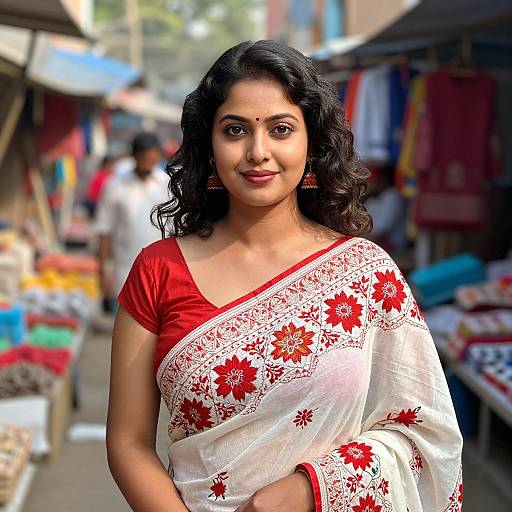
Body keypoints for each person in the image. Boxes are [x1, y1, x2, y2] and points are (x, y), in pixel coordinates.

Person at [107, 41, 463, 512]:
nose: (258, 152)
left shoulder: (365, 274)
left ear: (310, 145)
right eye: (235, 130)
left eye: (281, 129)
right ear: (209, 146)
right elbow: (128, 442)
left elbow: (425, 433)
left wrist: (308, 490)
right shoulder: (158, 270)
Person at [94, 132, 169, 310]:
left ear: (158, 156)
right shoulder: (115, 186)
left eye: (152, 158)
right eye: (144, 158)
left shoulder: (167, 185)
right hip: (124, 269)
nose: (148, 163)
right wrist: (104, 270)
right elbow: (104, 229)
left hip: (161, 271)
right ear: (134, 156)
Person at [364, 166, 408, 256]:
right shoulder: (374, 200)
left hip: (395, 250)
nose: (370, 183)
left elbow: (380, 232)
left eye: (374, 180)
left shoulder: (392, 195)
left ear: (383, 180)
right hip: (379, 247)